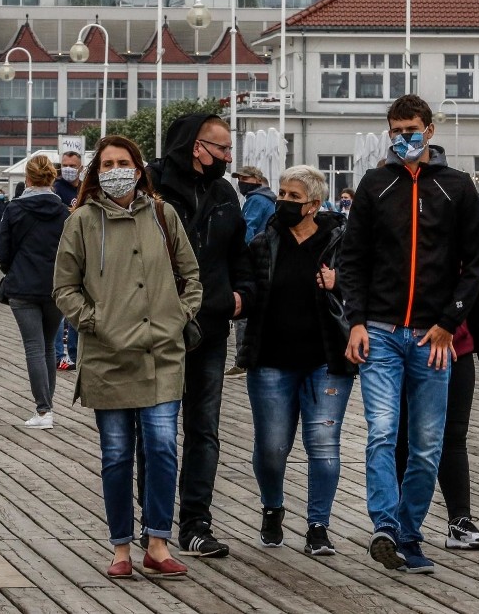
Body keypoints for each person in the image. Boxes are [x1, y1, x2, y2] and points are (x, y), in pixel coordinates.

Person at [340, 94, 479, 574]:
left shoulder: (457, 188)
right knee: (383, 432)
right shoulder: (374, 184)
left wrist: (449, 322)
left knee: (427, 444)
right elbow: (353, 259)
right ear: (389, 133)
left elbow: (475, 265)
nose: (404, 138)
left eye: (412, 129)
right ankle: (384, 524)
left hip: (432, 337)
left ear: (430, 130)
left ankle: (409, 532)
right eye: (397, 130)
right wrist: (356, 321)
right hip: (380, 331)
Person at [54, 135, 202, 579]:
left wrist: (179, 315)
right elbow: (63, 288)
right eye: (107, 163)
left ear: (138, 170)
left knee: (161, 448)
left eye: (123, 162)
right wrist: (94, 321)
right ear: (96, 172)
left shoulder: (162, 214)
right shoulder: (80, 221)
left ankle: (157, 541)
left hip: (161, 354)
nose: (115, 169)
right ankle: (120, 547)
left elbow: (191, 275)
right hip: (107, 356)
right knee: (116, 454)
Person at [146, 114, 255, 558]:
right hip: (154, 330)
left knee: (203, 429)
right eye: (223, 149)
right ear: (197, 147)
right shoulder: (150, 186)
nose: (229, 158)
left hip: (210, 327)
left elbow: (239, 253)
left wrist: (241, 297)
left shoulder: (224, 192)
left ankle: (196, 523)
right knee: (155, 431)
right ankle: (153, 525)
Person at [239, 165, 355, 555]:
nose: (284, 202)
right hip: (270, 359)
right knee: (272, 448)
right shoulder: (263, 241)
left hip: (326, 360)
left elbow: (365, 287)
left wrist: (340, 285)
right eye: (282, 195)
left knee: (323, 444)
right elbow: (250, 290)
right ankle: (272, 507)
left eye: (293, 197)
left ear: (314, 205)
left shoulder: (340, 243)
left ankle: (318, 525)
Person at [395, 283, 479, 549]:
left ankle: (460, 520)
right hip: (409, 346)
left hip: (458, 348)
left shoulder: (460, 245)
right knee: (404, 434)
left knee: (454, 434)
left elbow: (475, 289)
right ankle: (396, 521)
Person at [0, 155, 69, 428]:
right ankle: (46, 408)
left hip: (23, 287)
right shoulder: (63, 212)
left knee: (34, 347)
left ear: (27, 178)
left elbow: (3, 253)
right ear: (52, 178)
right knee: (48, 346)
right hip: (55, 287)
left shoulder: (14, 210)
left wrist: (13, 269)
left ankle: (43, 411)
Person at [226, 166, 276, 378]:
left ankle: (242, 359)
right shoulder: (268, 199)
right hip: (267, 259)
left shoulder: (255, 200)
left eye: (244, 178)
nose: (241, 182)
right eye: (239, 178)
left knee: (244, 311)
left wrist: (237, 257)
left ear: (256, 179)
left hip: (253, 260)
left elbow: (246, 231)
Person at [53, 151, 83, 370]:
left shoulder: (85, 188)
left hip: (81, 251)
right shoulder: (55, 188)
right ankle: (57, 355)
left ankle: (75, 353)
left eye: (72, 165)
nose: (67, 168)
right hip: (58, 250)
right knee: (59, 306)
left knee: (78, 304)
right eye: (64, 164)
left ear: (80, 167)